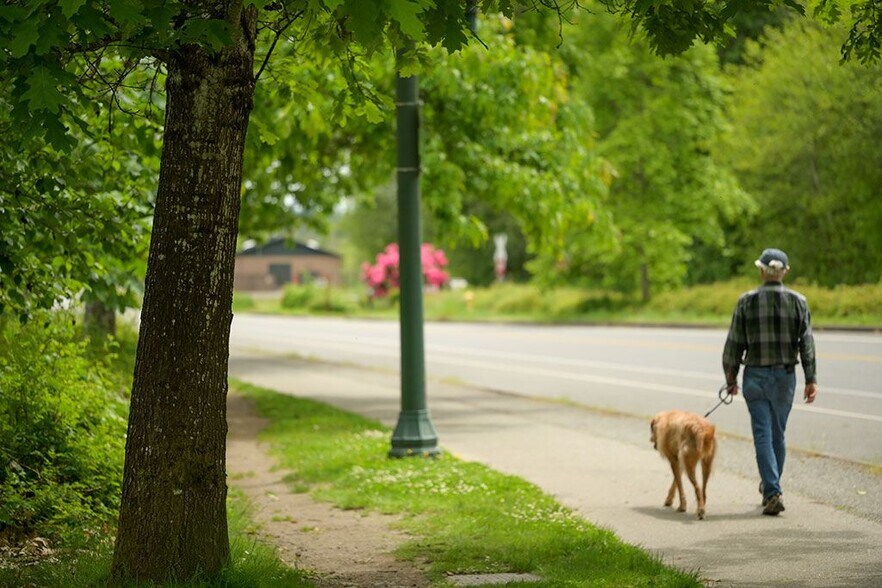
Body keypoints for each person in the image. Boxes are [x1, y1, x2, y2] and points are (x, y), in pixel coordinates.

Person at [722, 248, 818, 516]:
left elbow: (734, 344)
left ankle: (772, 489)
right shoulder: (799, 301)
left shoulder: (746, 301)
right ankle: (771, 487)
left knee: (763, 434)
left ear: (761, 270)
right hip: (785, 378)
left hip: (755, 376)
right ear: (785, 272)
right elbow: (806, 344)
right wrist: (811, 378)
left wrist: (730, 378)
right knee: (778, 434)